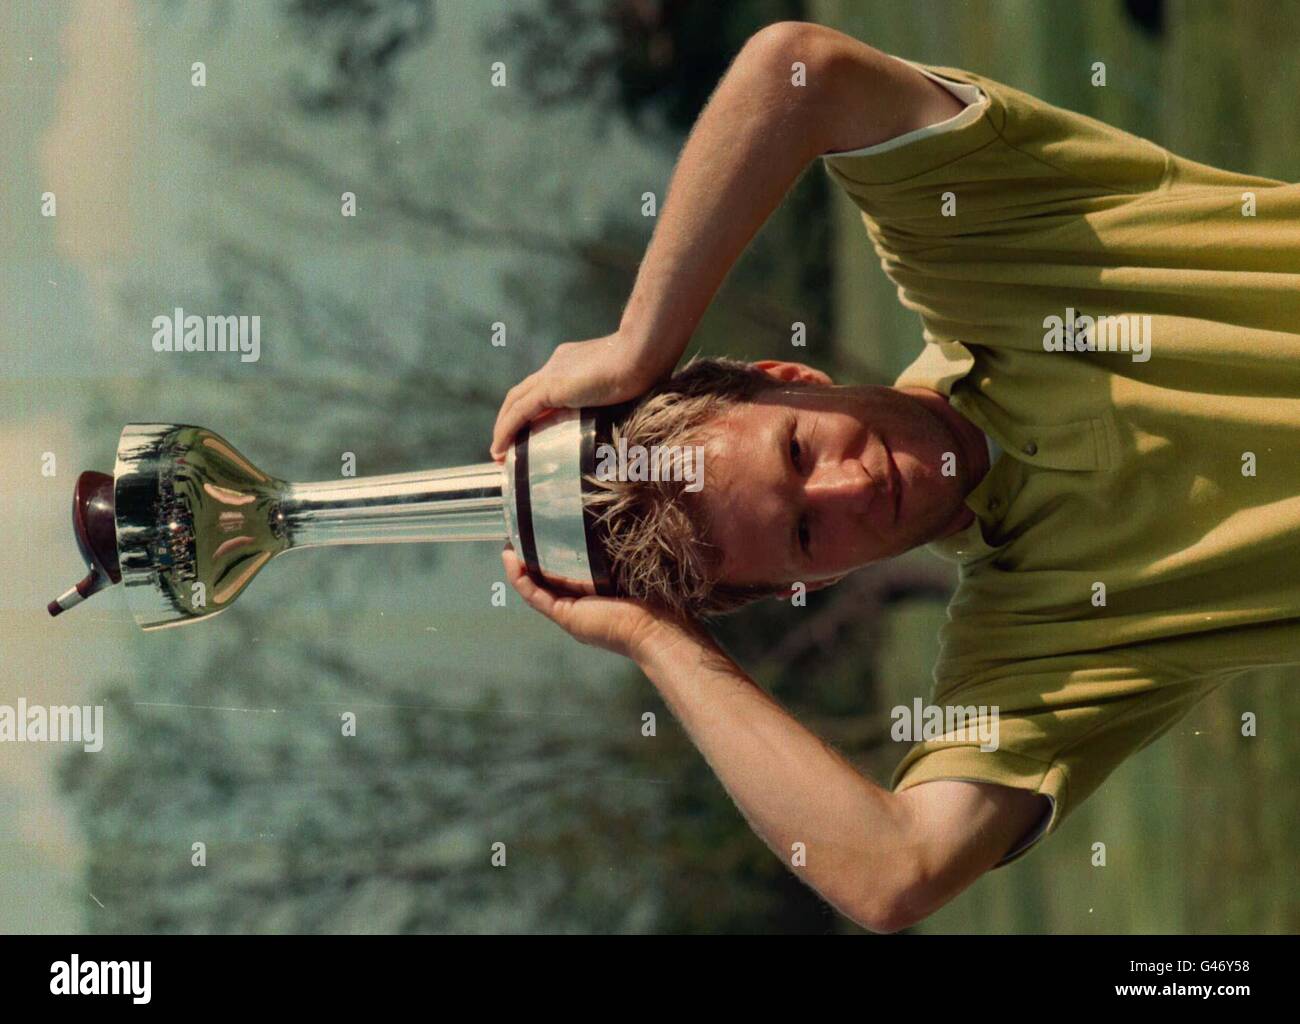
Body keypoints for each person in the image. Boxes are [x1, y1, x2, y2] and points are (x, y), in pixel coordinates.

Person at [491, 21, 1300, 931]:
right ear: (818, 582)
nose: (848, 490)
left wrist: (639, 345)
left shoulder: (984, 256)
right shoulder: (1034, 644)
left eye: (798, 449)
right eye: (806, 536)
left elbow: (799, 73)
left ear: (793, 378)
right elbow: (895, 872)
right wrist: (662, 645)